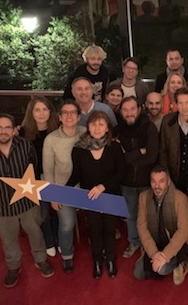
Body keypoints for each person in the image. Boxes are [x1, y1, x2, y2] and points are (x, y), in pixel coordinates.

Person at [0, 113, 54, 288]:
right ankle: (13, 266)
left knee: (35, 233)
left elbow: (34, 165)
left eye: (7, 127)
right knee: (8, 239)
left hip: (27, 203)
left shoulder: (25, 145)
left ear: (14, 130)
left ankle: (41, 259)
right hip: (0, 206)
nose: (3, 131)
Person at [67, 111, 126, 279]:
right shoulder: (79, 149)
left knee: (109, 229)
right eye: (93, 124)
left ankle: (111, 260)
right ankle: (97, 261)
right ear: (88, 127)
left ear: (107, 128)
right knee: (95, 230)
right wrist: (61, 191)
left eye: (101, 124)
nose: (97, 128)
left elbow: (121, 173)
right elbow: (76, 175)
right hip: (89, 197)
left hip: (111, 195)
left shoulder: (114, 147)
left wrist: (103, 187)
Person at [42, 100, 86, 273]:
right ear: (60, 117)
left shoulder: (86, 133)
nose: (69, 116)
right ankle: (67, 255)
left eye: (73, 112)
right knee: (67, 224)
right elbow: (48, 170)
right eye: (65, 113)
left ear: (79, 116)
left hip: (86, 188)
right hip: (63, 191)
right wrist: (53, 195)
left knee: (97, 218)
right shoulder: (51, 139)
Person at [113, 96, 159, 259]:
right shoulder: (116, 130)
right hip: (126, 183)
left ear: (139, 110)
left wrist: (129, 157)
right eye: (125, 109)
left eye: (132, 109)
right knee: (130, 216)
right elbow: (119, 158)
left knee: (148, 216)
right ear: (120, 112)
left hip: (147, 182)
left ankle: (148, 245)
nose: (129, 113)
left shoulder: (149, 127)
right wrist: (140, 151)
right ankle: (134, 242)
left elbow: (152, 156)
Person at [134, 166, 188, 285]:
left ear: (168, 181)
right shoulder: (143, 197)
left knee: (161, 270)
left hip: (177, 242)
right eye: (153, 181)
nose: (157, 186)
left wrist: (165, 256)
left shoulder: (180, 198)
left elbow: (183, 231)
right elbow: (142, 227)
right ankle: (155, 258)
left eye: (161, 181)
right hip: (156, 241)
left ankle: (179, 263)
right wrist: (153, 254)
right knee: (138, 273)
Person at [19, 97, 60, 256]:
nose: (41, 113)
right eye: (37, 110)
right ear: (31, 113)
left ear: (50, 112)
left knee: (57, 209)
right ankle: (49, 240)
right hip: (33, 180)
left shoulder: (58, 129)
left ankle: (58, 239)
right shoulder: (22, 133)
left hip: (56, 177)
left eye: (45, 109)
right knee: (43, 212)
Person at [159, 87, 188, 191]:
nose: (184, 107)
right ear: (176, 104)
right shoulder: (167, 121)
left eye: (187, 103)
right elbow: (163, 151)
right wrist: (165, 175)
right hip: (174, 176)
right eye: (180, 103)